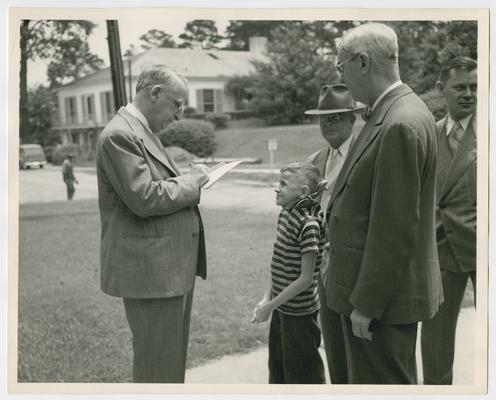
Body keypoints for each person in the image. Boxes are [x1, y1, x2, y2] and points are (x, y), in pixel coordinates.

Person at [325, 22, 443, 384]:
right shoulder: (392, 112)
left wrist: (367, 304)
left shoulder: (399, 123)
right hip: (370, 296)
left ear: (362, 62)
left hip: (380, 306)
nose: (339, 75)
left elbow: (395, 227)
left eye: (340, 65)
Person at [96, 65, 209, 383]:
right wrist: (193, 182)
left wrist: (187, 180)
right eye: (178, 103)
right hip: (152, 274)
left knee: (168, 362)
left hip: (167, 270)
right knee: (157, 366)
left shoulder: (141, 131)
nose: (179, 115)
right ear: (155, 92)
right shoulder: (120, 135)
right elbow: (144, 197)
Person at [420, 56, 477, 385]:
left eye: (474, 87)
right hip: (441, 251)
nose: (468, 94)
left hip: (484, 252)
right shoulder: (430, 134)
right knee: (435, 346)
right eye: (460, 87)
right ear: (442, 89)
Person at [304, 83, 364, 384]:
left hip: (355, 266)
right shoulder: (315, 161)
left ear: (353, 119)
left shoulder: (364, 154)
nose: (328, 124)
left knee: (361, 354)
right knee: (335, 352)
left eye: (336, 117)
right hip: (323, 269)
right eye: (323, 118)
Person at [252, 162, 327, 384]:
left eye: (284, 184)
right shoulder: (286, 215)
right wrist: (267, 299)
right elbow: (279, 265)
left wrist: (270, 306)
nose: (277, 188)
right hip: (282, 309)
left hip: (300, 315)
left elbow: (305, 279)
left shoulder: (309, 224)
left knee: (303, 376)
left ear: (303, 192)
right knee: (278, 370)